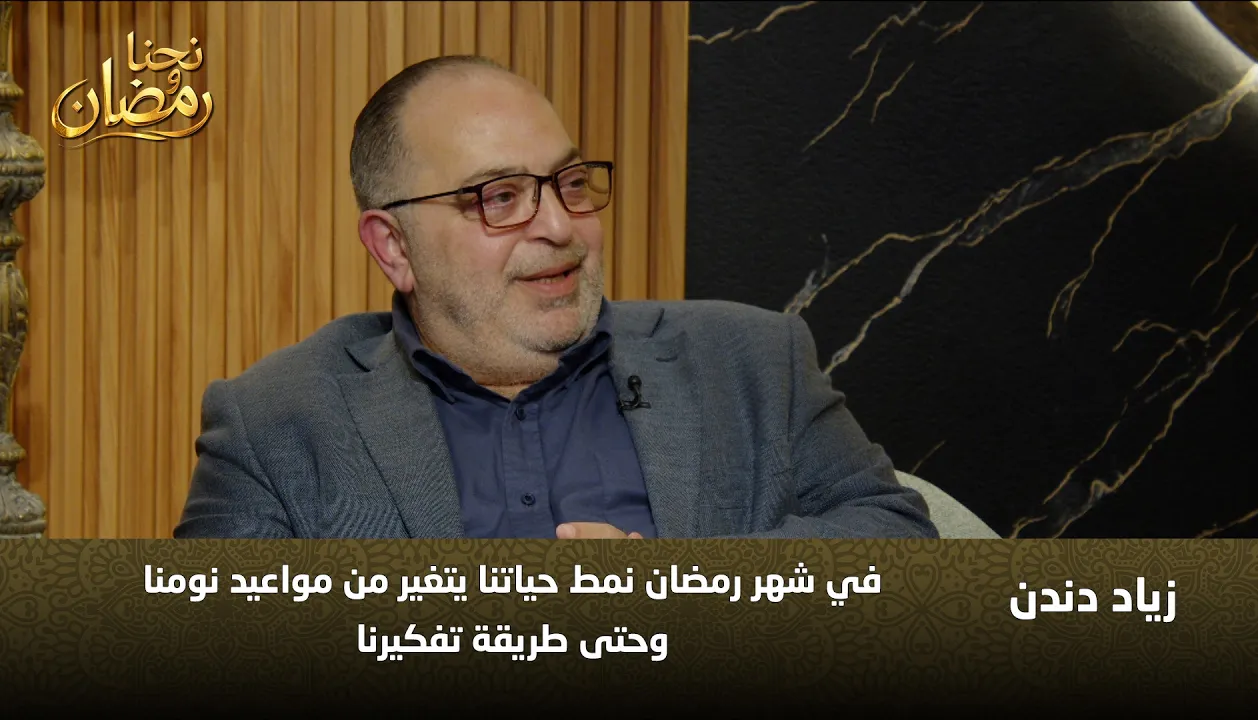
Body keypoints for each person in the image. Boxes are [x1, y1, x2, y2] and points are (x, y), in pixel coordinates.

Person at [173, 55, 937, 540]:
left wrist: (679, 597)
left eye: (570, 183)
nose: (561, 225)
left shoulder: (752, 362)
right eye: (500, 197)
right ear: (394, 247)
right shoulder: (274, 423)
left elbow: (899, 542)